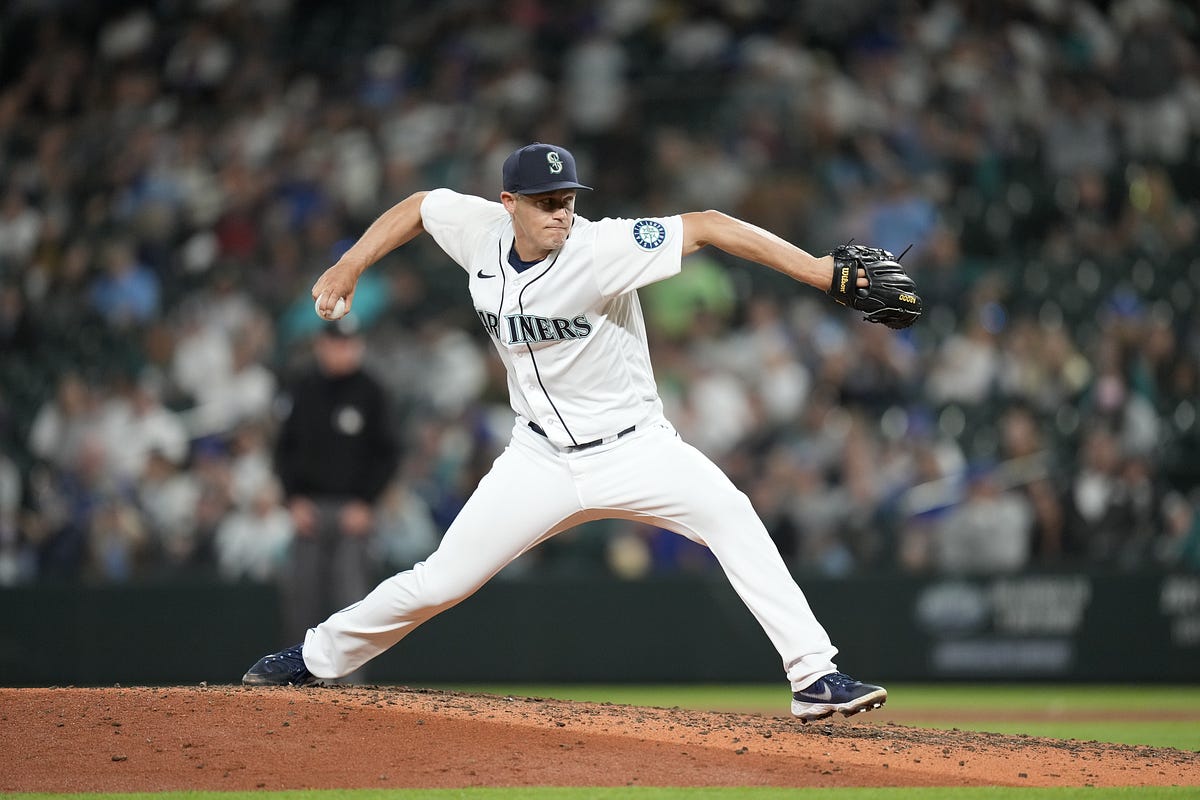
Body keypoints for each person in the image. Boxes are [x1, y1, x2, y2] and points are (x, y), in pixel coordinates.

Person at [244, 142, 907, 722]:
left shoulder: (602, 248)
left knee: (733, 516)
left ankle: (814, 677)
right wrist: (352, 262)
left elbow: (707, 226)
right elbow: (419, 205)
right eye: (545, 201)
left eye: (567, 197)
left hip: (637, 447)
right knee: (441, 581)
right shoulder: (478, 233)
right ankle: (312, 656)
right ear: (508, 203)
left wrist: (819, 271)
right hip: (538, 459)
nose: (561, 211)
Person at [272, 314, 402, 659]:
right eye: (337, 343)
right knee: (302, 600)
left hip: (352, 512)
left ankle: (350, 694)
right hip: (309, 510)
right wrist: (293, 499)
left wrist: (366, 502)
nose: (344, 350)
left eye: (350, 343)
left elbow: (388, 454)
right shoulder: (302, 388)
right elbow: (283, 449)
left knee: (352, 602)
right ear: (321, 346)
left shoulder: (372, 391)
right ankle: (295, 683)